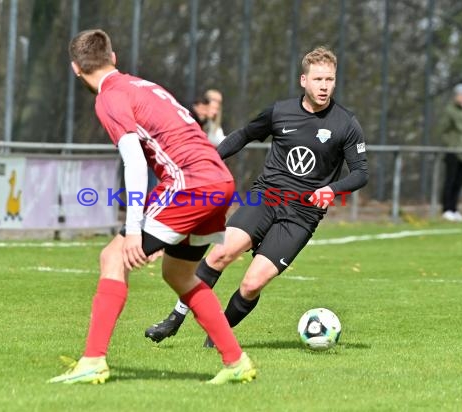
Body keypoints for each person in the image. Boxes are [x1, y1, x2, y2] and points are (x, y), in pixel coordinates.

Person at [49, 29, 256, 385]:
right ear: (113, 58)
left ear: (75, 69)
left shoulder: (109, 97)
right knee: (178, 275)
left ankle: (93, 360)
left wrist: (132, 231)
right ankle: (236, 361)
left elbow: (133, 160)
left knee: (113, 257)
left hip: (190, 184)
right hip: (219, 182)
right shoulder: (141, 85)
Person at [145, 46, 369, 345]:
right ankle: (174, 319)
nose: (324, 86)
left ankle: (218, 334)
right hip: (266, 198)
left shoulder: (346, 124)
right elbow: (242, 135)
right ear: (304, 80)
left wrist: (332, 189)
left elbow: (360, 173)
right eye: (318, 79)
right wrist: (207, 160)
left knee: (251, 284)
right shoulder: (280, 112)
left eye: (330, 79)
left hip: (302, 215)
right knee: (220, 255)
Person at [439, 83, 462, 222]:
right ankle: (446, 209)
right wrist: (451, 145)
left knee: (459, 182)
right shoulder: (450, 111)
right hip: (453, 151)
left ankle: (454, 209)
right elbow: (443, 130)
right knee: (450, 180)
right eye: (459, 95)